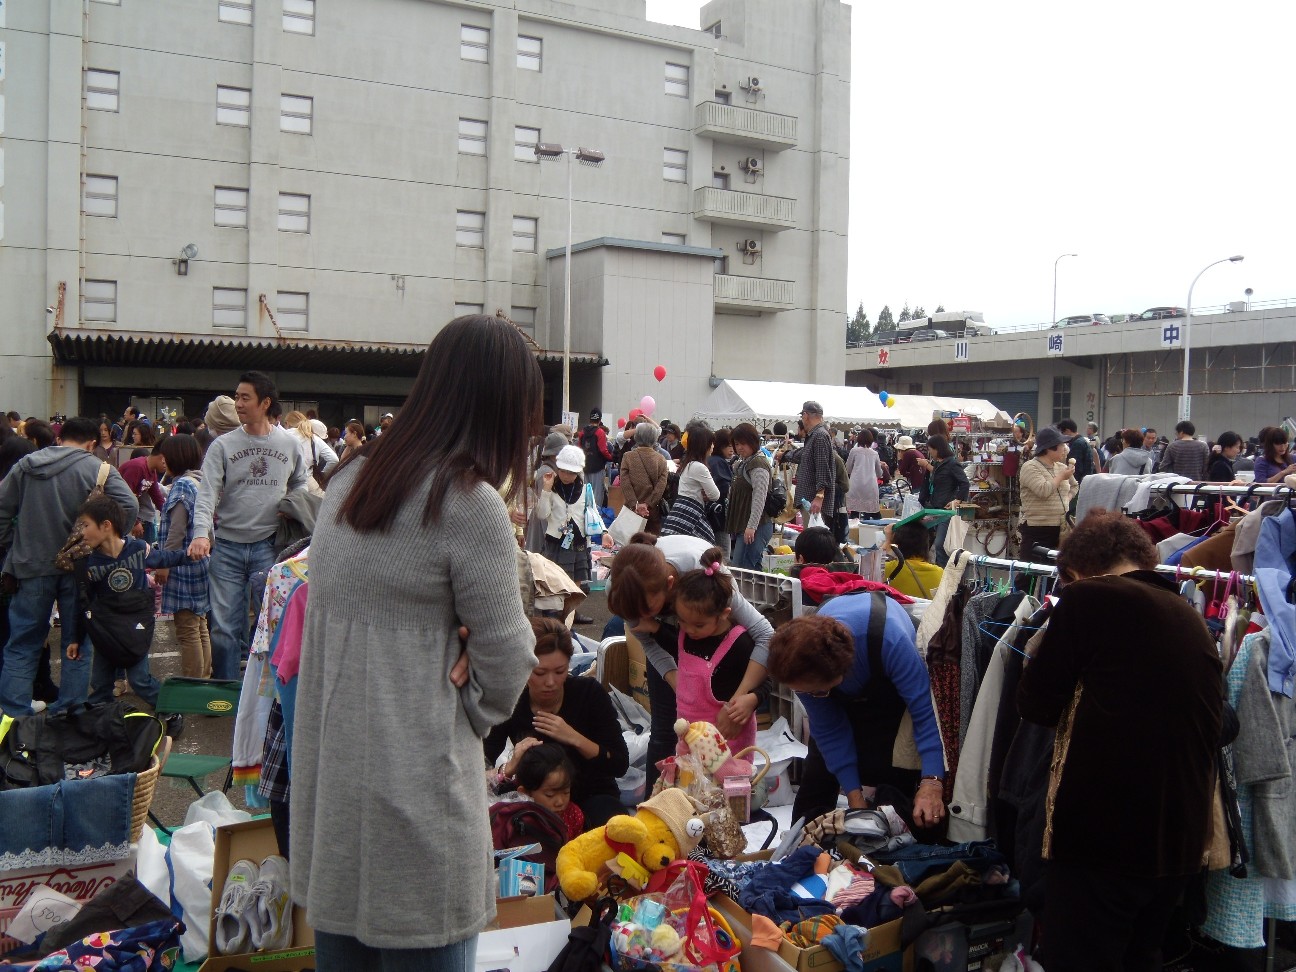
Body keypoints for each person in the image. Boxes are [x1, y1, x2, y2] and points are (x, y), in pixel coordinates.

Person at [291, 315, 540, 970]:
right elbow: (510, 655)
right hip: (419, 799)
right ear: (503, 406)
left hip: (338, 791)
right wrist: (469, 708)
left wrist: (453, 644)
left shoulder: (351, 479)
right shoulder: (465, 501)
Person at [1018, 511, 1222, 971]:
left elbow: (1035, 705)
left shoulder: (1088, 598)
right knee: (1140, 958)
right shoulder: (1187, 614)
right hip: (1179, 841)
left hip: (1102, 838)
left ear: (1072, 573)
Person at [607, 535, 774, 787]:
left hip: (717, 653)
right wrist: (680, 684)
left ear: (670, 586)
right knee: (665, 730)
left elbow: (765, 636)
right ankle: (659, 805)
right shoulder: (623, 591)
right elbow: (649, 641)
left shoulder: (708, 580)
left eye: (647, 609)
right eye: (632, 615)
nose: (638, 618)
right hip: (668, 641)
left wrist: (737, 700)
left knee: (719, 759)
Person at [0, 417, 139, 716]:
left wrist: (11, 544)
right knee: (76, 642)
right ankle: (70, 713)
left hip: (29, 565)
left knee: (22, 643)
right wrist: (106, 542)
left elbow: (1, 508)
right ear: (91, 443)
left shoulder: (26, 465)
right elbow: (129, 505)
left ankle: (13, 717)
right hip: (81, 569)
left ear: (61, 438)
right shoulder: (99, 469)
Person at [768, 601, 946, 830]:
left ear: (840, 670)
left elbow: (924, 714)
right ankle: (801, 848)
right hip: (839, 682)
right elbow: (829, 731)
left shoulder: (892, 641)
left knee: (893, 788)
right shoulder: (797, 666)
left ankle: (887, 859)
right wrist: (854, 798)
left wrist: (932, 782)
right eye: (803, 691)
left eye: (816, 691)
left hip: (890, 687)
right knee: (817, 780)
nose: (810, 695)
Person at [188, 371, 309, 680]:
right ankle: (226, 690)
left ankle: (265, 693)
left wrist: (292, 506)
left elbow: (299, 484)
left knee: (270, 623)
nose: (237, 403)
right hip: (227, 547)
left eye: (245, 397)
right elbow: (207, 493)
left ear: (265, 402)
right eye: (237, 396)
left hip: (270, 547)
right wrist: (202, 534)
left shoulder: (289, 444)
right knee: (224, 627)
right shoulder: (222, 446)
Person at [485, 617, 628, 830]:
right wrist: (510, 766)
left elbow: (619, 763)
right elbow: (480, 766)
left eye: (560, 671)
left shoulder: (588, 693)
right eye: (539, 673)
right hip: (537, 801)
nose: (550, 682)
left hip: (593, 796)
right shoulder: (511, 699)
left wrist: (574, 738)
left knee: (615, 830)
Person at [71, 495, 192, 710]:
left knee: (140, 680)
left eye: (86, 525)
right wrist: (75, 638)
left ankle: (171, 709)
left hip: (135, 627)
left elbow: (164, 559)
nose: (81, 532)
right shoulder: (87, 562)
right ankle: (103, 723)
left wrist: (190, 554)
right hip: (105, 630)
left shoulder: (137, 548)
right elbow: (83, 603)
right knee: (100, 685)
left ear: (106, 525)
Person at [663, 549, 764, 752]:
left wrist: (753, 699)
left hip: (729, 747)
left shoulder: (740, 643)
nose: (690, 630)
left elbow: (766, 680)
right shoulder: (686, 635)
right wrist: (653, 629)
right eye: (682, 621)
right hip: (689, 745)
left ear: (724, 614)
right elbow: (668, 642)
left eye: (699, 625)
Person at [155, 434, 212, 679]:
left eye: (166, 456)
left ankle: (191, 684)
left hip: (183, 564)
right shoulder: (199, 481)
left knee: (187, 629)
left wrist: (164, 564)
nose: (163, 461)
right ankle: (204, 677)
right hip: (201, 561)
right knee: (200, 627)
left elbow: (176, 530)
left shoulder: (181, 486)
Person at [489, 742, 584, 841]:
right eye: (550, 795)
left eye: (566, 792)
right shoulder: (514, 819)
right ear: (524, 792)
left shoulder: (574, 815)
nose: (560, 802)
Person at [538, 444, 596, 594]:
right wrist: (546, 490)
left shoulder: (585, 489)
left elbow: (593, 514)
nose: (565, 475)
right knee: (555, 583)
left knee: (575, 585)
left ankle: (571, 614)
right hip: (556, 542)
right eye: (562, 471)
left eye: (571, 472)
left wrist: (605, 532)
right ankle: (555, 615)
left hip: (578, 543)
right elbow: (541, 515)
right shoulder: (552, 488)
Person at [1017, 426, 1075, 564]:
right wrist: (1061, 476)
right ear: (1050, 447)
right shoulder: (1030, 467)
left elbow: (1075, 485)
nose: (1064, 448)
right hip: (1037, 528)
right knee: (1029, 573)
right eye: (1062, 445)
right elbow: (1043, 490)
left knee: (1054, 574)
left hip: (1060, 527)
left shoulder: (1061, 467)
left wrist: (1067, 499)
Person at [778, 401, 836, 526]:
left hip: (813, 501)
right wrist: (784, 455)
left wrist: (819, 496)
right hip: (810, 500)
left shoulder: (819, 435)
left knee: (815, 540)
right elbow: (804, 455)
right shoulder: (817, 435)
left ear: (805, 415)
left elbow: (822, 468)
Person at [726, 423, 774, 571]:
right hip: (747, 526)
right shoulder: (745, 462)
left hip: (755, 527)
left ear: (753, 441)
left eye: (744, 443)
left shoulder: (758, 463)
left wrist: (751, 526)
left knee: (743, 569)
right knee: (749, 569)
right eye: (737, 444)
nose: (740, 447)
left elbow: (759, 497)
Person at [661, 423, 720, 543]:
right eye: (711, 443)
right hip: (691, 511)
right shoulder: (699, 467)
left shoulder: (688, 464)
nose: (713, 446)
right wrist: (705, 494)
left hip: (680, 509)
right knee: (705, 545)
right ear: (704, 445)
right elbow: (715, 495)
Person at [916, 435, 969, 567]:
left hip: (946, 511)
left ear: (937, 449)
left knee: (941, 544)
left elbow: (964, 483)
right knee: (932, 543)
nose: (930, 452)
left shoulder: (952, 464)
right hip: (935, 509)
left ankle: (944, 575)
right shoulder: (938, 464)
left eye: (931, 449)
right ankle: (939, 573)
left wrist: (957, 500)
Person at [618, 422, 670, 535]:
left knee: (630, 543)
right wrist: (648, 504)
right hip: (652, 511)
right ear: (655, 438)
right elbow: (661, 486)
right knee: (651, 544)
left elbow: (625, 483)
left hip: (632, 511)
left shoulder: (628, 456)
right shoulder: (661, 459)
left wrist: (635, 504)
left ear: (636, 437)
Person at [118, 442, 167, 542]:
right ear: (162, 458)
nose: (167, 466)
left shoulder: (151, 471)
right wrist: (134, 523)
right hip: (119, 515)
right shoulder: (137, 467)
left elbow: (157, 496)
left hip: (133, 514)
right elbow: (123, 497)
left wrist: (168, 514)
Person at [883, 521, 943, 599]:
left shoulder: (888, 569)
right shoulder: (939, 573)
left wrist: (888, 540)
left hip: (897, 610)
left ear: (897, 544)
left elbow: (875, 563)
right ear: (926, 545)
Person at [707, 429, 735, 556]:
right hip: (719, 517)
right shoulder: (719, 462)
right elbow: (724, 488)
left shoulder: (711, 460)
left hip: (711, 515)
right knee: (723, 554)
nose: (732, 449)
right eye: (729, 445)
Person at [578, 408, 614, 507]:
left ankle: (585, 516)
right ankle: (596, 517)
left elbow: (579, 449)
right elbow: (603, 450)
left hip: (585, 466)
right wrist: (611, 458)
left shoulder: (582, 433)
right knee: (597, 495)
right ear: (600, 419)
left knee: (585, 494)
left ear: (590, 419)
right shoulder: (600, 432)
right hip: (598, 467)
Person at [845, 428, 882, 519]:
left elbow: (848, 469)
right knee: (873, 513)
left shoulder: (854, 451)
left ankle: (855, 532)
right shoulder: (874, 454)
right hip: (870, 485)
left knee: (854, 514)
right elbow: (879, 472)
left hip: (856, 485)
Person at [1056, 419, 1094, 483]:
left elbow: (1076, 468)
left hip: (1079, 482)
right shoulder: (1083, 441)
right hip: (1085, 481)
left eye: (1062, 433)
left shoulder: (1077, 444)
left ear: (1068, 431)